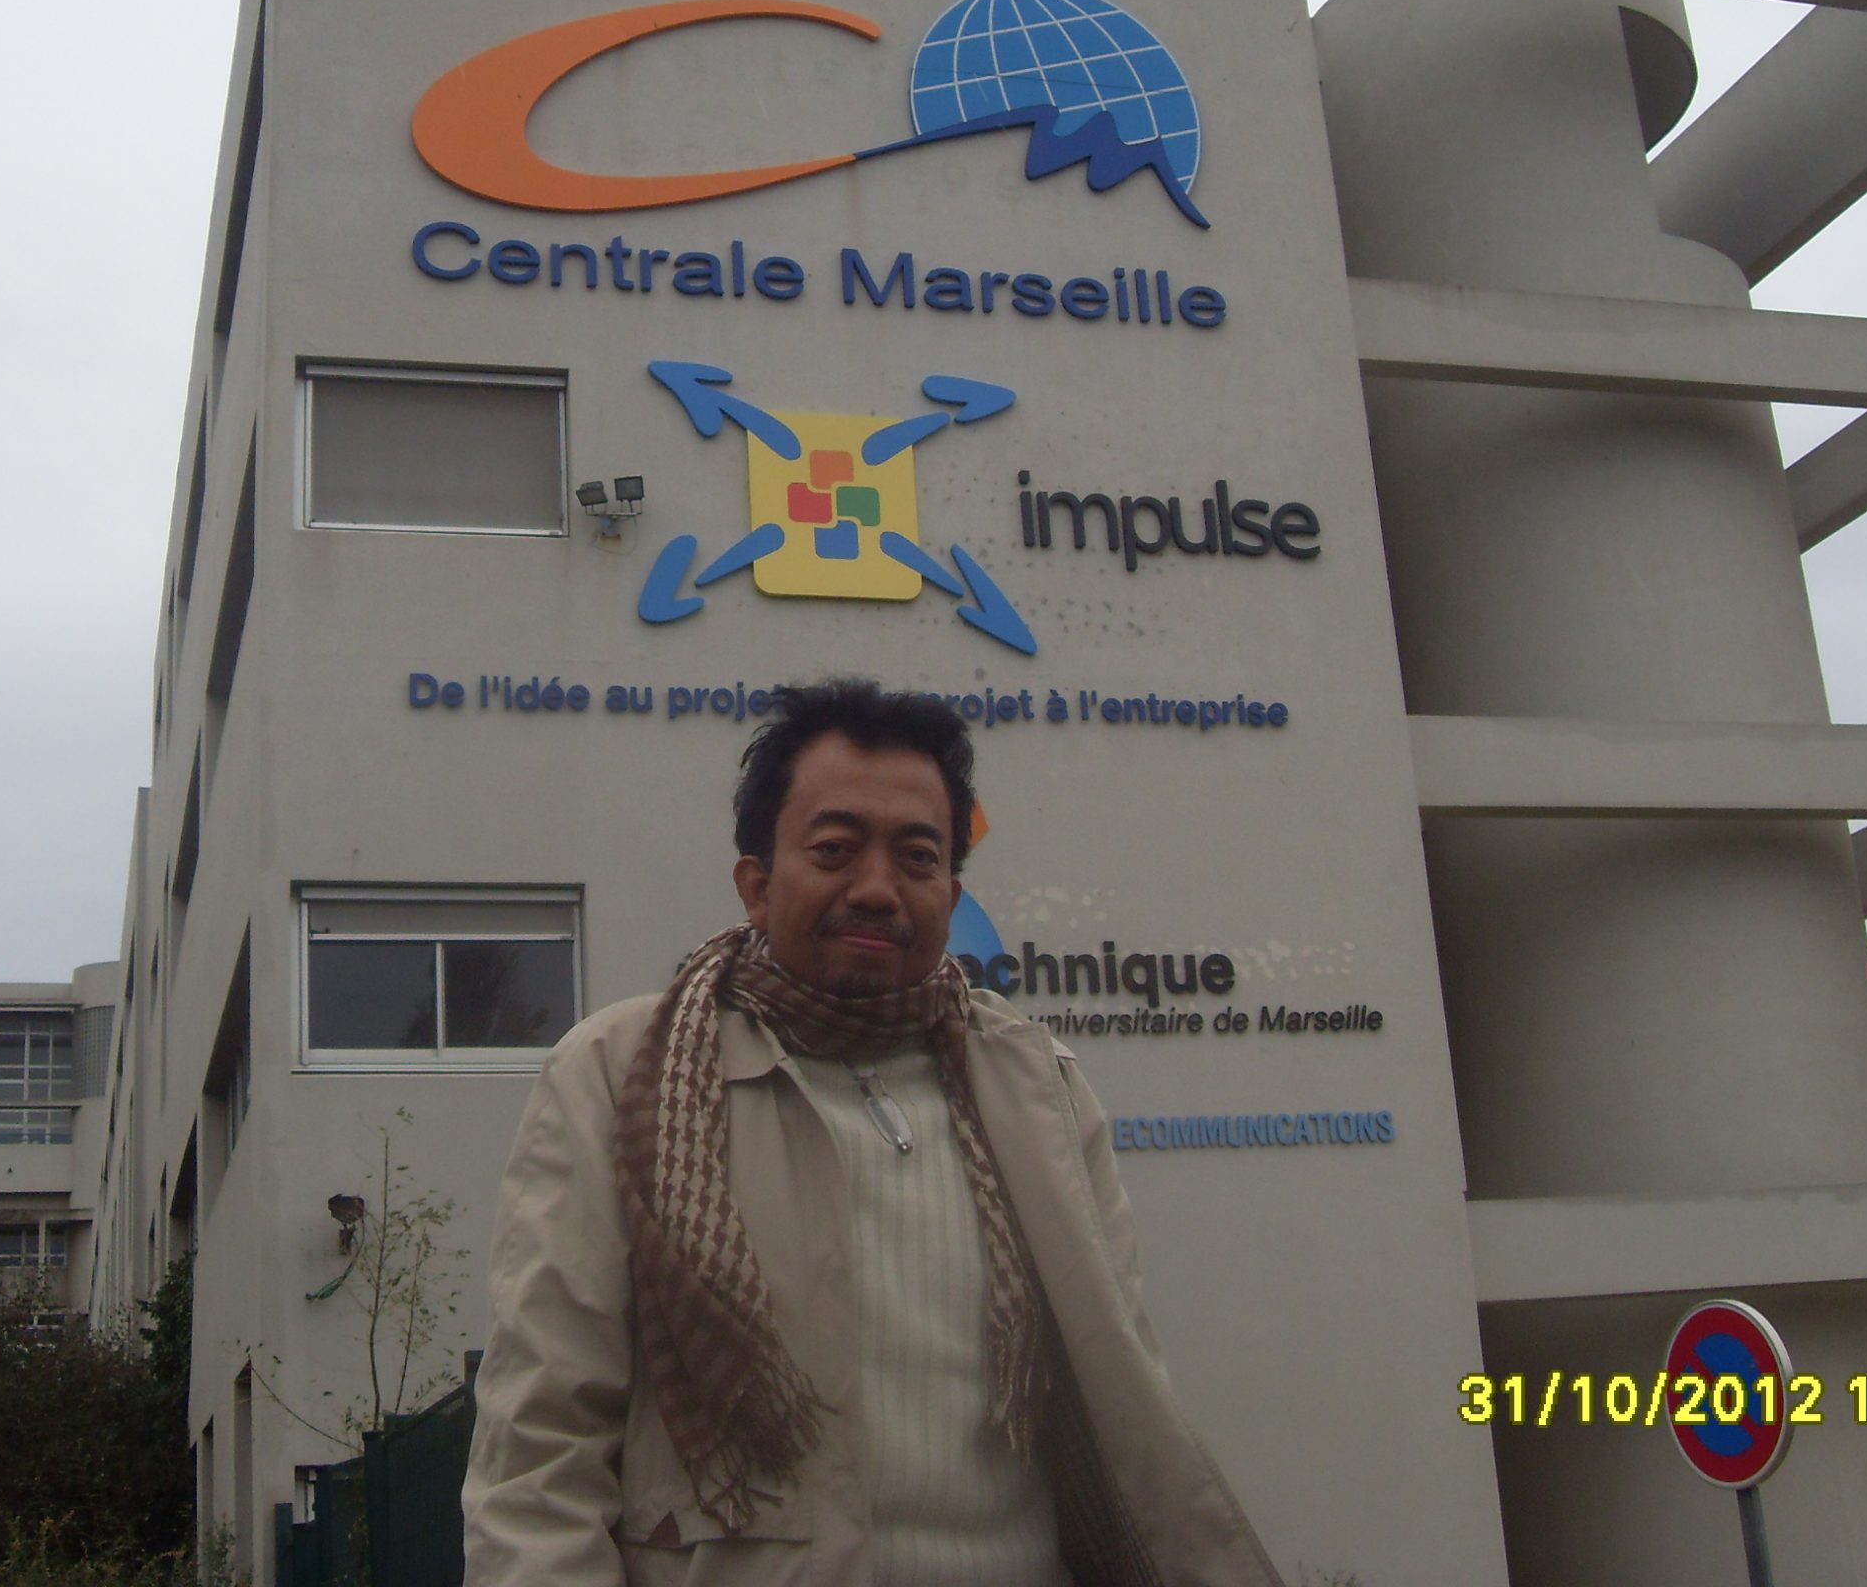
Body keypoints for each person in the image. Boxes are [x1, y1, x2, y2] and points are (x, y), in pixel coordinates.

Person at [461, 677, 1282, 1586]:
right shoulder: (620, 1076)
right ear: (757, 885)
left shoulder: (1039, 1090)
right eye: (835, 850)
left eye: (918, 857)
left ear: (950, 893)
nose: (878, 889)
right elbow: (541, 1454)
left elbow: (1123, 1391)